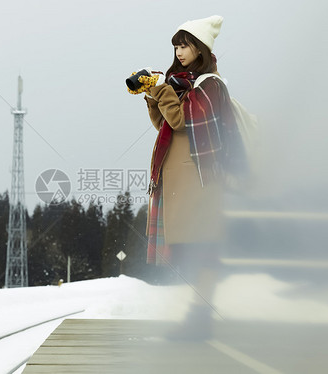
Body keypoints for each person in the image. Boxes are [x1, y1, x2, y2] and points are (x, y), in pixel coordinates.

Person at [128, 15, 246, 339]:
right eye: (176, 46)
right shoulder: (185, 82)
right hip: (183, 180)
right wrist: (154, 95)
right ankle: (197, 319)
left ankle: (199, 320)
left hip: (200, 180)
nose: (179, 51)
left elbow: (180, 121)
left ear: (201, 48)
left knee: (201, 248)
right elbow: (164, 125)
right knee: (192, 250)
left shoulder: (209, 85)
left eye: (185, 44)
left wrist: (162, 89)